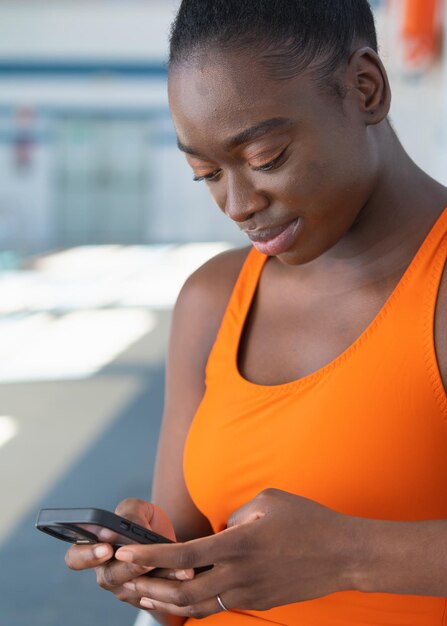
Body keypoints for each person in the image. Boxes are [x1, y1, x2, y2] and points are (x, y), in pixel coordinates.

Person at [65, 0, 447, 624]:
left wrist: (349, 557)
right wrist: (153, 568)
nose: (238, 204)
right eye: (206, 173)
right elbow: (183, 585)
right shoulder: (213, 300)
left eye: (266, 157)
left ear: (366, 89)